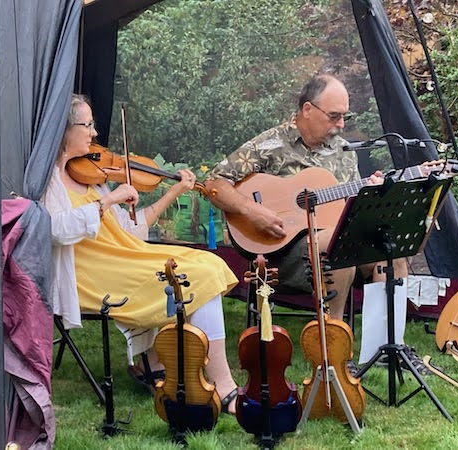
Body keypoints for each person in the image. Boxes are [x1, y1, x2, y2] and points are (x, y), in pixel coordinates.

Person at [205, 74, 428, 374]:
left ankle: (387, 346)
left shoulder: (342, 151)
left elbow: (345, 210)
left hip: (328, 243)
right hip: (277, 253)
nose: (340, 125)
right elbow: (214, 184)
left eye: (344, 117)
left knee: (390, 254)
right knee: (336, 245)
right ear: (307, 110)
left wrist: (370, 193)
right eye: (334, 116)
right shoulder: (270, 144)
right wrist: (254, 211)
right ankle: (332, 348)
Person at [42, 94, 240, 412]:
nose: (94, 133)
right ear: (64, 129)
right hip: (90, 276)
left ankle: (156, 360)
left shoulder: (91, 176)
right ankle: (221, 383)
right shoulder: (47, 181)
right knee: (196, 275)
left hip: (124, 257)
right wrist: (107, 202)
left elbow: (130, 231)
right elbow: (54, 230)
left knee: (208, 263)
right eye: (88, 124)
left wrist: (173, 191)